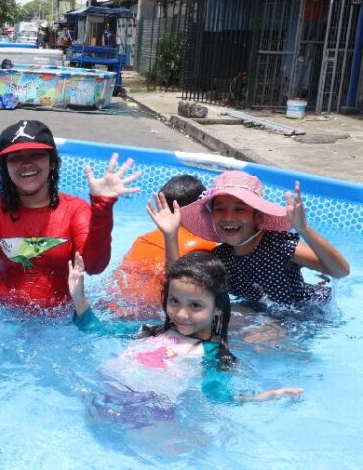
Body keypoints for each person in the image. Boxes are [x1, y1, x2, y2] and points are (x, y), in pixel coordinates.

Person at [0, 120, 141, 312]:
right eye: (16, 158)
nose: (26, 164)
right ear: (5, 166)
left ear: (52, 163)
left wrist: (103, 208)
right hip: (1, 313)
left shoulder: (75, 210)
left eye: (36, 155)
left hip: (59, 318)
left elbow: (93, 266)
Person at [69, 251, 304, 419]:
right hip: (103, 396)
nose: (182, 314)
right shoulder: (151, 331)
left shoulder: (212, 354)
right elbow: (95, 330)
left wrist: (265, 396)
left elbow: (217, 394)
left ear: (217, 308)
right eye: (174, 301)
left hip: (149, 413)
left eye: (195, 306)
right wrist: (79, 295)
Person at [148, 170, 350, 309]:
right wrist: (170, 236)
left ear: (258, 216)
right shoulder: (220, 257)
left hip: (306, 313)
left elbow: (340, 271)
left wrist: (303, 229)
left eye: (239, 208)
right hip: (260, 313)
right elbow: (180, 286)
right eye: (220, 209)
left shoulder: (279, 246)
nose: (228, 216)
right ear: (212, 218)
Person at [107, 175, 216, 315]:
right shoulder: (203, 245)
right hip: (150, 313)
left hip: (112, 304)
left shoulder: (142, 239)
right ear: (200, 210)